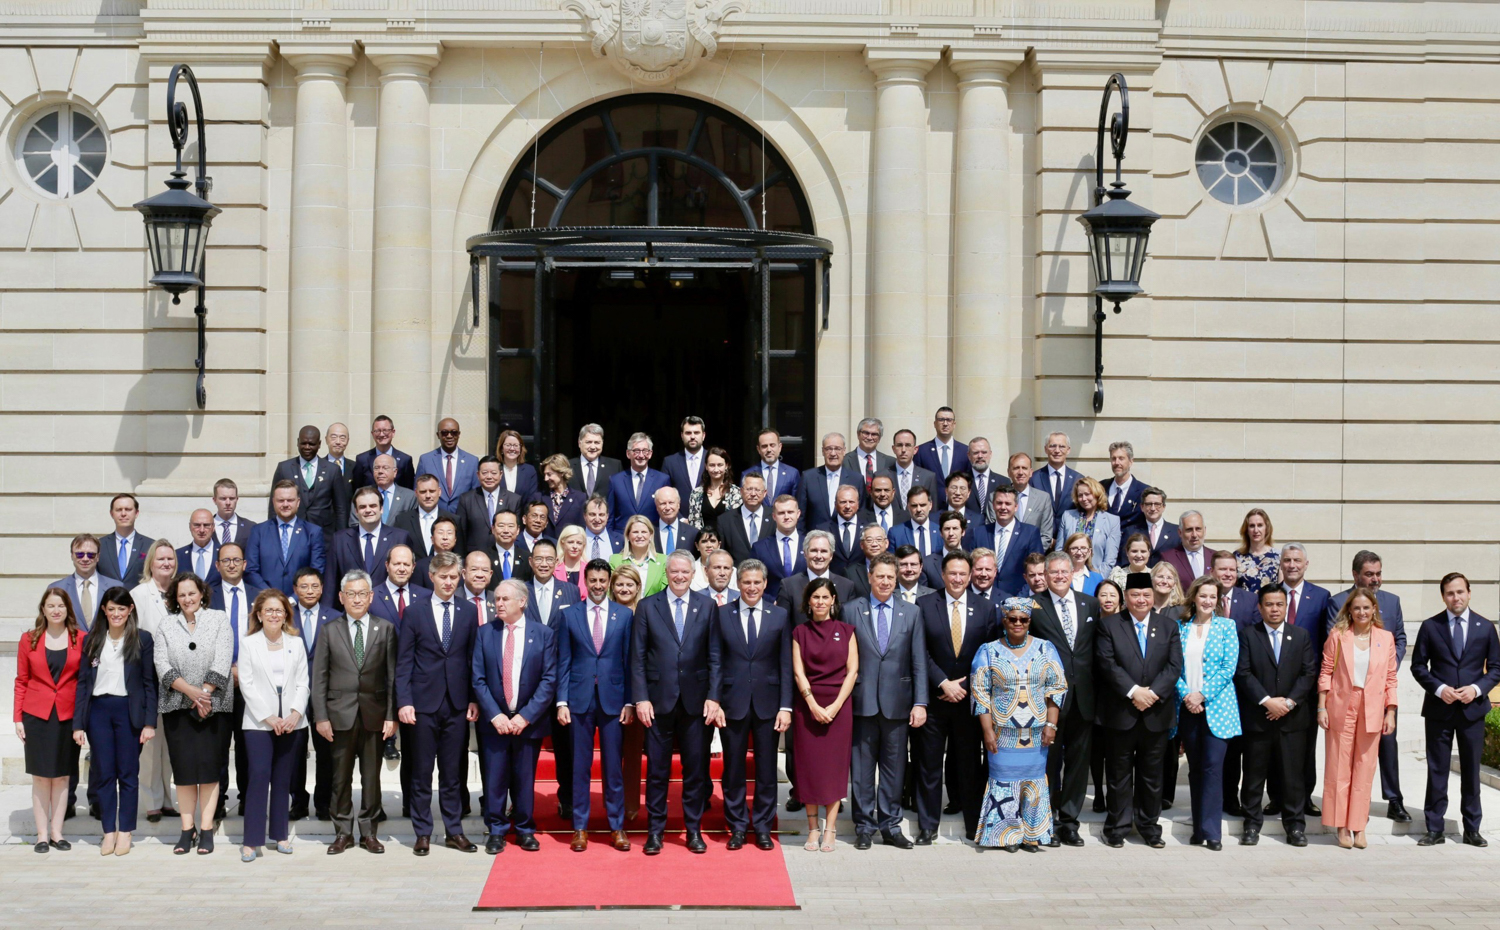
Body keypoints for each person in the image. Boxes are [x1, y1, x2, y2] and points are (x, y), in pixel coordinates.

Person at [631, 551, 720, 854]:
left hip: (696, 703)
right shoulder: (647, 606)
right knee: (657, 772)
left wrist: (714, 696)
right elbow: (637, 658)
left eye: (685, 572)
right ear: (666, 574)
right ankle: (655, 832)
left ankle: (693, 831)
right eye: (674, 572)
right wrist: (641, 698)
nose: (680, 576)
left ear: (694, 574)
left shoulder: (707, 606)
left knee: (695, 770)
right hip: (657, 703)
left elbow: (715, 656)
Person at [396, 551, 480, 855]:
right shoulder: (414, 612)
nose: (448, 582)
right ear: (431, 576)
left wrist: (473, 698)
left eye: (453, 577)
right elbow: (404, 661)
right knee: (421, 773)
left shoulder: (469, 611)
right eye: (443, 576)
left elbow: (472, 658)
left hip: (456, 704)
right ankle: (422, 832)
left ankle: (454, 831)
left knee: (452, 772)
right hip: (422, 704)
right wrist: (404, 700)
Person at [1411, 572, 1500, 847]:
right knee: (1437, 771)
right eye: (1450, 593)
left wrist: (1476, 689)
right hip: (1439, 710)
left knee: (1471, 771)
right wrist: (1439, 689)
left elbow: (1496, 668)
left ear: (1469, 593)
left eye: (1460, 592)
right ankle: (1434, 829)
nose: (1456, 597)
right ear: (1443, 597)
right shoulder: (1431, 626)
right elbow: (1418, 666)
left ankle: (1472, 829)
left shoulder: (1485, 627)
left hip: (1473, 711)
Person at [311, 570, 397, 854]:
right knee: (340, 778)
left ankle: (369, 833)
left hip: (374, 714)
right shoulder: (329, 630)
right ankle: (343, 832)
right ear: (341, 597)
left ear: (371, 597)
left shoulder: (385, 628)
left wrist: (391, 715)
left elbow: (391, 676)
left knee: (371, 778)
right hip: (338, 715)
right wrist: (321, 716)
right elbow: (319, 677)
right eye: (351, 594)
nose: (357, 599)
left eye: (362, 593)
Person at [1095, 573, 1183, 849]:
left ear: (1153, 596)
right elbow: (1107, 663)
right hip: (1121, 712)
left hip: (1156, 713)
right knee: (1118, 774)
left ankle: (1149, 827)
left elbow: (1174, 666)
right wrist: (1134, 692)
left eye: (1146, 594)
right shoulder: (1109, 625)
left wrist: (1152, 694)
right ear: (1126, 597)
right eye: (1135, 595)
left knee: (1152, 775)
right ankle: (1117, 827)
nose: (1141, 600)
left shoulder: (1168, 626)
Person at [844, 553, 926, 850]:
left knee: (894, 770)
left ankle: (891, 826)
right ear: (870, 577)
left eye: (891, 577)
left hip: (898, 704)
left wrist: (920, 702)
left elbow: (918, 661)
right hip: (862, 702)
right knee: (862, 771)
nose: (885, 581)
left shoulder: (911, 612)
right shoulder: (851, 610)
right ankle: (864, 827)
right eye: (880, 576)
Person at [972, 597, 1067, 852]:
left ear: (1029, 621)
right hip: (1003, 732)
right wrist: (987, 730)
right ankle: (1007, 835)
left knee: (1034, 781)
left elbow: (1056, 688)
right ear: (1004, 621)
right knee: (1004, 781)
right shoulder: (988, 651)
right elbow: (981, 693)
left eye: (1023, 619)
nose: (1018, 623)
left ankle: (1032, 835)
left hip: (1036, 732)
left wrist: (1051, 725)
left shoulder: (1046, 648)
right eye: (1012, 619)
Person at [712, 560, 793, 851]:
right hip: (731, 704)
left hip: (768, 704)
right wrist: (715, 700)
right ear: (738, 583)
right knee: (733, 769)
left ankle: (762, 827)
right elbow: (716, 660)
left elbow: (786, 663)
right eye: (746, 582)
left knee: (767, 770)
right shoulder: (722, 614)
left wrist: (786, 706)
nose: (752, 587)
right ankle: (736, 826)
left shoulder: (779, 615)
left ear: (765, 583)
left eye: (757, 582)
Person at [473, 579, 557, 854]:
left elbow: (549, 679)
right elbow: (478, 678)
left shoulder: (543, 634)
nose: (498, 603)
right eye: (496, 599)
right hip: (494, 722)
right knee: (494, 778)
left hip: (527, 723)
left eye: (505, 599)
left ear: (522, 602)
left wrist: (526, 716)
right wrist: (495, 715)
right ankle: (496, 831)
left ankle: (524, 829)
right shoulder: (485, 633)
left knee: (524, 779)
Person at [556, 559, 635, 852]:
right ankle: (580, 827)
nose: (598, 586)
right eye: (593, 581)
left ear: (609, 581)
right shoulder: (569, 615)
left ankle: (616, 827)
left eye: (603, 580)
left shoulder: (624, 615)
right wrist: (561, 701)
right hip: (579, 699)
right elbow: (563, 661)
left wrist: (629, 701)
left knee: (613, 767)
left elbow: (629, 662)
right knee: (580, 766)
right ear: (585, 582)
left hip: (614, 700)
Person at [913, 551, 991, 843]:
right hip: (935, 700)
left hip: (969, 700)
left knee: (969, 766)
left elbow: (989, 654)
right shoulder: (924, 605)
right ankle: (927, 826)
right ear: (943, 575)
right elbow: (920, 650)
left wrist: (965, 685)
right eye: (952, 573)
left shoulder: (986, 608)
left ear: (970, 576)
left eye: (962, 574)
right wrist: (944, 683)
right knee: (929, 765)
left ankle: (973, 824)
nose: (957, 579)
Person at [1326, 549, 1410, 824]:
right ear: (1355, 575)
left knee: (1386, 744)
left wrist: (1386, 667)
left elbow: (1399, 638)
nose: (1375, 579)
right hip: (1348, 693)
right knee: (1346, 755)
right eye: (1369, 574)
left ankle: (1394, 800)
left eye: (1378, 574)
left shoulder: (1392, 601)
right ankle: (1346, 812)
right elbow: (1333, 645)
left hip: (1380, 690)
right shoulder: (1337, 602)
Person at [74, 585, 157, 856]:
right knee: (104, 774)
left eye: (122, 608)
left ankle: (126, 831)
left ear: (130, 609)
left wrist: (149, 723)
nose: (117, 614)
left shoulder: (142, 639)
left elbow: (149, 683)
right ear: (104, 610)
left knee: (128, 774)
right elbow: (83, 684)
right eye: (112, 609)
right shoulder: (92, 640)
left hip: (128, 712)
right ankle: (108, 831)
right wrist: (78, 724)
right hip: (98, 712)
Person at [155, 572, 234, 855]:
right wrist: (192, 692)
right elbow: (161, 663)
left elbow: (223, 657)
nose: (187, 599)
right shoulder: (166, 624)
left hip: (215, 706)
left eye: (192, 593)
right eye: (181, 595)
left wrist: (205, 692)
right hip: (177, 706)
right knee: (185, 772)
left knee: (210, 771)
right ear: (174, 598)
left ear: (202, 593)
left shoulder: (219, 619)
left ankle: (207, 828)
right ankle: (187, 830)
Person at [1028, 550, 1101, 846]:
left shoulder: (1090, 603)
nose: (1059, 576)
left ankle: (1069, 822)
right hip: (1048, 701)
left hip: (1084, 697)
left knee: (1078, 764)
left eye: (1064, 571)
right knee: (1047, 763)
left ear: (1072, 574)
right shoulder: (1034, 606)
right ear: (1045, 576)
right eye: (1053, 572)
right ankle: (1046, 821)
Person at [1235, 586, 1316, 847]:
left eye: (1279, 604)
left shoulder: (1300, 635)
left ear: (1286, 606)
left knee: (1293, 777)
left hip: (1292, 720)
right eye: (1269, 604)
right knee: (1253, 775)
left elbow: (1308, 673)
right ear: (1260, 608)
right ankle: (1251, 825)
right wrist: (1267, 701)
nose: (1274, 609)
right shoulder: (1248, 635)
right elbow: (1243, 672)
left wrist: (1289, 702)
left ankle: (1295, 826)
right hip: (1258, 718)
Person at [1319, 587, 1399, 849]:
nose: (1362, 612)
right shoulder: (1338, 635)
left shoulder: (1386, 638)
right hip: (1342, 704)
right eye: (1357, 608)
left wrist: (1390, 711)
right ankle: (1341, 825)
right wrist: (1321, 707)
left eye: (1366, 607)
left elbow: (1390, 677)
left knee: (1365, 768)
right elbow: (1326, 671)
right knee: (1339, 766)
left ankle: (1359, 825)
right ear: (1349, 611)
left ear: (1374, 609)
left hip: (1372, 706)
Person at [236, 590, 309, 861]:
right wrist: (269, 717)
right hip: (258, 722)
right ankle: (251, 840)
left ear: (286, 615)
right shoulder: (249, 643)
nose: (274, 615)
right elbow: (246, 684)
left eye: (279, 610)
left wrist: (294, 713)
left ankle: (280, 835)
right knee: (258, 775)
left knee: (282, 778)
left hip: (291, 721)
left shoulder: (296, 643)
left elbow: (303, 682)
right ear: (259, 615)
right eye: (269, 610)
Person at [1262, 542, 1333, 818]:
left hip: (1306, 684)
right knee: (1273, 745)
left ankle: (1304, 796)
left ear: (1306, 564)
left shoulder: (1321, 597)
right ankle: (1276, 797)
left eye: (1297, 560)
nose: (1292, 565)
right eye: (1287, 560)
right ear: (1280, 563)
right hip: (1273, 685)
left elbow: (1327, 641)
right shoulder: (1271, 594)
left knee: (1305, 744)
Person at [1173, 575, 1241, 851]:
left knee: (1212, 768)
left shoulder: (1227, 626)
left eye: (1213, 596)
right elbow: (1173, 666)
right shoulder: (1180, 628)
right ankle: (1198, 828)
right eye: (1203, 595)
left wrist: (1202, 694)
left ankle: (1212, 832)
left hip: (1217, 708)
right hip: (1188, 707)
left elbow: (1228, 668)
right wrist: (1187, 695)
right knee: (1195, 770)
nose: (1208, 601)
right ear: (1194, 597)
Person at [791, 577, 857, 852]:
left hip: (839, 708)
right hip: (808, 708)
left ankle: (830, 829)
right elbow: (798, 672)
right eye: (815, 597)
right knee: (809, 768)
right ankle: (812, 829)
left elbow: (852, 671)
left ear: (833, 601)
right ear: (808, 601)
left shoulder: (847, 630)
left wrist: (836, 705)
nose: (820, 602)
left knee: (834, 769)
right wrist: (812, 704)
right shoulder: (799, 632)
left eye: (825, 597)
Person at [16, 589, 83, 853]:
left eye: (60, 606)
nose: (56, 610)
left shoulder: (81, 639)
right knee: (42, 777)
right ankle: (42, 835)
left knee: (63, 776)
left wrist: (82, 720)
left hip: (68, 715)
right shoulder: (28, 639)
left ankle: (57, 832)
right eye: (50, 606)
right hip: (36, 716)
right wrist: (17, 718)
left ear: (68, 609)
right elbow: (21, 680)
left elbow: (84, 682)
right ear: (43, 609)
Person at [131, 540, 178, 822]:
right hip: (149, 678)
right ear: (151, 562)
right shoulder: (139, 594)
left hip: (177, 680)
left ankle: (167, 799)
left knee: (169, 745)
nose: (166, 563)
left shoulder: (181, 591)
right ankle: (151, 801)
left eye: (170, 559)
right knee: (150, 744)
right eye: (160, 559)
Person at [289, 568, 337, 821]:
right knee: (295, 751)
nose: (309, 591)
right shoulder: (285, 616)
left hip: (325, 694)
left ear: (322, 588)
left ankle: (324, 802)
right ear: (295, 589)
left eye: (315, 586)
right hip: (292, 693)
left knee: (326, 751)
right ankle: (298, 801)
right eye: (304, 586)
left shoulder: (335, 617)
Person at [608, 566, 647, 823]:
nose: (624, 589)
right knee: (611, 755)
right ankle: (612, 805)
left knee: (633, 752)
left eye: (629, 584)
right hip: (610, 691)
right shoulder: (605, 612)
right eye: (620, 584)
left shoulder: (645, 612)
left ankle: (631, 804)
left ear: (638, 588)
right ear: (612, 587)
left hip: (640, 692)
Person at [327, 486, 413, 598]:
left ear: (381, 509)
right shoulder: (340, 539)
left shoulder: (400, 538)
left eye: (373, 506)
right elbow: (331, 583)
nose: (368, 510)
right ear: (356, 511)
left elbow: (409, 578)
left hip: (388, 605)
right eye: (362, 507)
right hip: (353, 605)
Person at [245, 480, 328, 595]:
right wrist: (271, 596)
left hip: (301, 600)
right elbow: (251, 570)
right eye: (280, 500)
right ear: (273, 502)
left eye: (290, 500)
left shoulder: (313, 532)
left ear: (298, 502)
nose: (285, 504)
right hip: (266, 599)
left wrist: (295, 598)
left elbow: (317, 571)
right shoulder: (258, 531)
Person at [271, 425, 350, 538]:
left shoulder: (332, 470)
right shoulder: (284, 468)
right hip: (291, 534)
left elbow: (340, 508)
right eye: (303, 443)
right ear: (298, 442)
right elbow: (273, 505)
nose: (307, 447)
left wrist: (341, 537)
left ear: (319, 444)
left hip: (324, 535)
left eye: (311, 444)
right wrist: (273, 534)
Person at [967, 484, 1044, 595]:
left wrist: (1019, 599)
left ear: (1016, 507)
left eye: (1008, 503)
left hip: (1019, 597)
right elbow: (970, 568)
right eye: (999, 503)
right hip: (984, 598)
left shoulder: (1030, 533)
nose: (1003, 507)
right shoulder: (979, 533)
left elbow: (1036, 569)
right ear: (993, 505)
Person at [776, 530, 858, 625]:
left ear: (831, 555)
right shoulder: (788, 585)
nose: (819, 556)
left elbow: (850, 623)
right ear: (805, 554)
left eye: (823, 551)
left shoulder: (847, 586)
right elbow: (783, 625)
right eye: (814, 551)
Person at [1090, 578, 1123, 812]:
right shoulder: (1089, 625)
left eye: (1112, 594)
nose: (1108, 599)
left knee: (1115, 751)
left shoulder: (1127, 625)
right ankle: (1098, 794)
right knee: (1096, 749)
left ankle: (1114, 794)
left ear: (1120, 598)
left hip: (1120, 695)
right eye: (1103, 595)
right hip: (1094, 694)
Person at [50, 533, 120, 632]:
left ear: (98, 557)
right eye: (79, 554)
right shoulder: (57, 588)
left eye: (91, 555)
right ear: (72, 556)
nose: (85, 559)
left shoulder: (115, 587)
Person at [454, 456, 522, 557]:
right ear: (478, 475)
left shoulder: (514, 499)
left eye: (494, 473)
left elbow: (517, 532)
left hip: (504, 555)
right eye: (484, 473)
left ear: (501, 474)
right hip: (475, 556)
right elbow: (460, 533)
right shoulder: (466, 499)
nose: (489, 477)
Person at [798, 432, 865, 533]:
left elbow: (861, 514)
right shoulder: (808, 477)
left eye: (837, 449)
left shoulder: (856, 479)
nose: (833, 453)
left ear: (844, 451)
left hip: (845, 538)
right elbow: (800, 515)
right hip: (816, 538)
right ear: (823, 451)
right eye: (828, 449)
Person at [1056, 476, 1121, 575]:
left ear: (1097, 494)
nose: (1084, 499)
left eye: (1087, 494)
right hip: (1069, 576)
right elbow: (1059, 552)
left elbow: (1110, 560)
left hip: (1096, 576)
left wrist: (1098, 579)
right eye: (1080, 495)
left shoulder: (1112, 521)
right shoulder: (1067, 516)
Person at [608, 432, 670, 531]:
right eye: (636, 451)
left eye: (645, 451)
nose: (641, 455)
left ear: (650, 454)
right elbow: (610, 516)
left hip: (652, 535)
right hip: (622, 536)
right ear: (628, 454)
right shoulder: (615, 481)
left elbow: (667, 513)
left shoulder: (662, 480)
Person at [416, 418, 480, 513]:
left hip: (463, 516)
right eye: (444, 433)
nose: (449, 436)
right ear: (438, 435)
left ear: (459, 434)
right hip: (433, 515)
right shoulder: (426, 460)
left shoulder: (472, 461)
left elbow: (475, 493)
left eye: (454, 432)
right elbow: (418, 489)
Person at [1030, 431, 1081, 543]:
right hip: (1040, 542)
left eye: (1062, 446)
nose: (1057, 450)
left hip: (1069, 543)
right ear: (1045, 449)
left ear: (1068, 450)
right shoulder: (1034, 478)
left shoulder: (1078, 479)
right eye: (1052, 446)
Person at [752, 495, 804, 603]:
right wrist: (770, 602)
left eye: (790, 512)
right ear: (774, 516)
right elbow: (752, 580)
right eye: (781, 513)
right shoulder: (760, 548)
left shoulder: (810, 545)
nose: (786, 517)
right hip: (772, 607)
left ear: (798, 514)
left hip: (805, 607)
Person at [394, 474, 456, 561]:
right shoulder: (402, 520)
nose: (428, 496)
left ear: (439, 492)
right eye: (423, 492)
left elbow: (459, 553)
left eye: (432, 491)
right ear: (416, 493)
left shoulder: (453, 520)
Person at [715, 472, 770, 565]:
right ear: (741, 491)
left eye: (757, 490)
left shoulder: (774, 517)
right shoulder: (725, 520)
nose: (753, 494)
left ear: (764, 493)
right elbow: (722, 553)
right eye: (749, 489)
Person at [98, 493, 151, 587]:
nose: (123, 514)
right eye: (118, 510)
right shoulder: (99, 545)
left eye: (128, 509)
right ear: (112, 514)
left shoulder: (150, 545)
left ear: (136, 513)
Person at [915, 407, 968, 500]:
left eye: (949, 420)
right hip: (931, 504)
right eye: (941, 420)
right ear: (935, 424)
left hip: (957, 504)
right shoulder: (921, 451)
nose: (945, 423)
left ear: (954, 424)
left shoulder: (965, 451)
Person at [350, 415, 416, 491]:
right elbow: (357, 489)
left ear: (393, 432)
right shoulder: (362, 459)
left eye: (385, 430)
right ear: (372, 434)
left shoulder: (405, 460)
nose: (381, 434)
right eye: (377, 431)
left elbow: (409, 490)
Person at [610, 514, 667, 597]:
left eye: (644, 532)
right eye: (635, 532)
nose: (640, 536)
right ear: (628, 536)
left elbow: (664, 594)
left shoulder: (663, 561)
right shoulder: (615, 560)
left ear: (650, 535)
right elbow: (611, 592)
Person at [1007, 453, 1055, 551]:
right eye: (1016, 468)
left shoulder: (1043, 498)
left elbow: (1046, 536)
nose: (1021, 472)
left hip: (1033, 556)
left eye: (1024, 468)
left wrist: (1031, 555)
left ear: (1031, 472)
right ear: (1009, 472)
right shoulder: (997, 498)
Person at [686, 446, 741, 531]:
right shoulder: (696, 493)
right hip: (704, 538)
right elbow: (694, 524)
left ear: (726, 466)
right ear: (706, 466)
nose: (716, 469)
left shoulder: (736, 493)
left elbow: (736, 524)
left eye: (720, 465)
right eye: (712, 465)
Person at [1101, 441, 1147, 540]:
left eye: (1121, 458)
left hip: (1130, 546)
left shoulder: (1144, 492)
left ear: (1131, 461)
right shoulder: (1100, 488)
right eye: (1113, 458)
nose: (1117, 463)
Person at [887, 429, 940, 508]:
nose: (903, 450)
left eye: (908, 445)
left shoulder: (928, 477)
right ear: (893, 449)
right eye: (899, 445)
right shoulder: (883, 475)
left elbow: (933, 508)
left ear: (915, 450)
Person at [742, 428, 800, 501]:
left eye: (772, 445)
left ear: (780, 447)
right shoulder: (747, 474)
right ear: (758, 449)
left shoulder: (792, 474)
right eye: (764, 446)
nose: (769, 450)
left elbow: (796, 502)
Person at [1160, 510, 1215, 586]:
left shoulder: (1215, 557)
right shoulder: (1168, 558)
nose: (1194, 535)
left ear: (1204, 530)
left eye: (1198, 529)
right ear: (1180, 532)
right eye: (1189, 530)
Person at [661, 415, 708, 502]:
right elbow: (664, 495)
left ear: (703, 435)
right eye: (688, 433)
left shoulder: (713, 460)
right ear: (682, 435)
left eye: (696, 433)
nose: (692, 437)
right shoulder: (670, 462)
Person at [568, 423, 624, 497]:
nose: (593, 447)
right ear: (579, 443)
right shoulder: (567, 466)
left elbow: (621, 495)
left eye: (597, 443)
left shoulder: (614, 466)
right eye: (588, 442)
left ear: (602, 444)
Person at [1235, 508, 1280, 594]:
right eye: (1252, 526)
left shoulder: (1278, 557)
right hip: (1244, 602)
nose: (1256, 530)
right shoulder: (1237, 556)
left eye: (1260, 525)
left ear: (1266, 528)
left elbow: (1281, 590)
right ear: (1246, 530)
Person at [539, 454, 586, 535]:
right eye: (545, 475)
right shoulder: (539, 497)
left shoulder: (580, 498)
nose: (546, 479)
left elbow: (582, 527)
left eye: (549, 474)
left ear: (561, 473)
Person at [889, 486, 940, 560]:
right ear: (908, 506)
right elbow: (891, 562)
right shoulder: (896, 533)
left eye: (922, 505)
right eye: (914, 506)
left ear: (930, 505)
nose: (918, 509)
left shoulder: (940, 531)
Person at [830, 485, 870, 576]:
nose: (847, 506)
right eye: (843, 502)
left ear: (858, 504)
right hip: (834, 580)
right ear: (835, 504)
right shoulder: (824, 529)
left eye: (851, 502)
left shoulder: (868, 528)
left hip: (861, 580)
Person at [652, 487, 699, 564]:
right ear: (657, 507)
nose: (667, 507)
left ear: (678, 504)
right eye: (663, 503)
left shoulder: (693, 533)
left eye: (671, 503)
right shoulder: (649, 532)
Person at [1211, 551, 1256, 628]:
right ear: (1212, 572)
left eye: (1232, 570)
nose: (1228, 574)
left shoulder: (1252, 600)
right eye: (1223, 569)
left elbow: (1256, 632)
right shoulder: (1203, 599)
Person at [851, 417, 895, 495]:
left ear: (879, 438)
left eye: (874, 434)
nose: (869, 437)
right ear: (858, 434)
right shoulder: (844, 461)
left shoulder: (891, 462)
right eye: (866, 433)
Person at [494, 429, 540, 503]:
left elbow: (532, 498)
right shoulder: (494, 469)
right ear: (501, 448)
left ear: (520, 448)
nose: (512, 449)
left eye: (516, 445)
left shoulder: (529, 471)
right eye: (508, 445)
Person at [178, 508, 221, 586]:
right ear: (190, 526)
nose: (202, 530)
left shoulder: (223, 554)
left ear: (213, 527)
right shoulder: (178, 555)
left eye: (206, 525)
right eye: (197, 525)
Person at [961, 437, 1000, 521]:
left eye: (984, 452)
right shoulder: (961, 480)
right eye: (975, 453)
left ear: (990, 454)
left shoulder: (1003, 481)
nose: (980, 456)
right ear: (969, 456)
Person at [490, 511, 532, 583]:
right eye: (501, 526)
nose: (506, 530)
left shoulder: (527, 558)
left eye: (511, 526)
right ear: (493, 529)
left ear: (518, 530)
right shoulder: (485, 557)